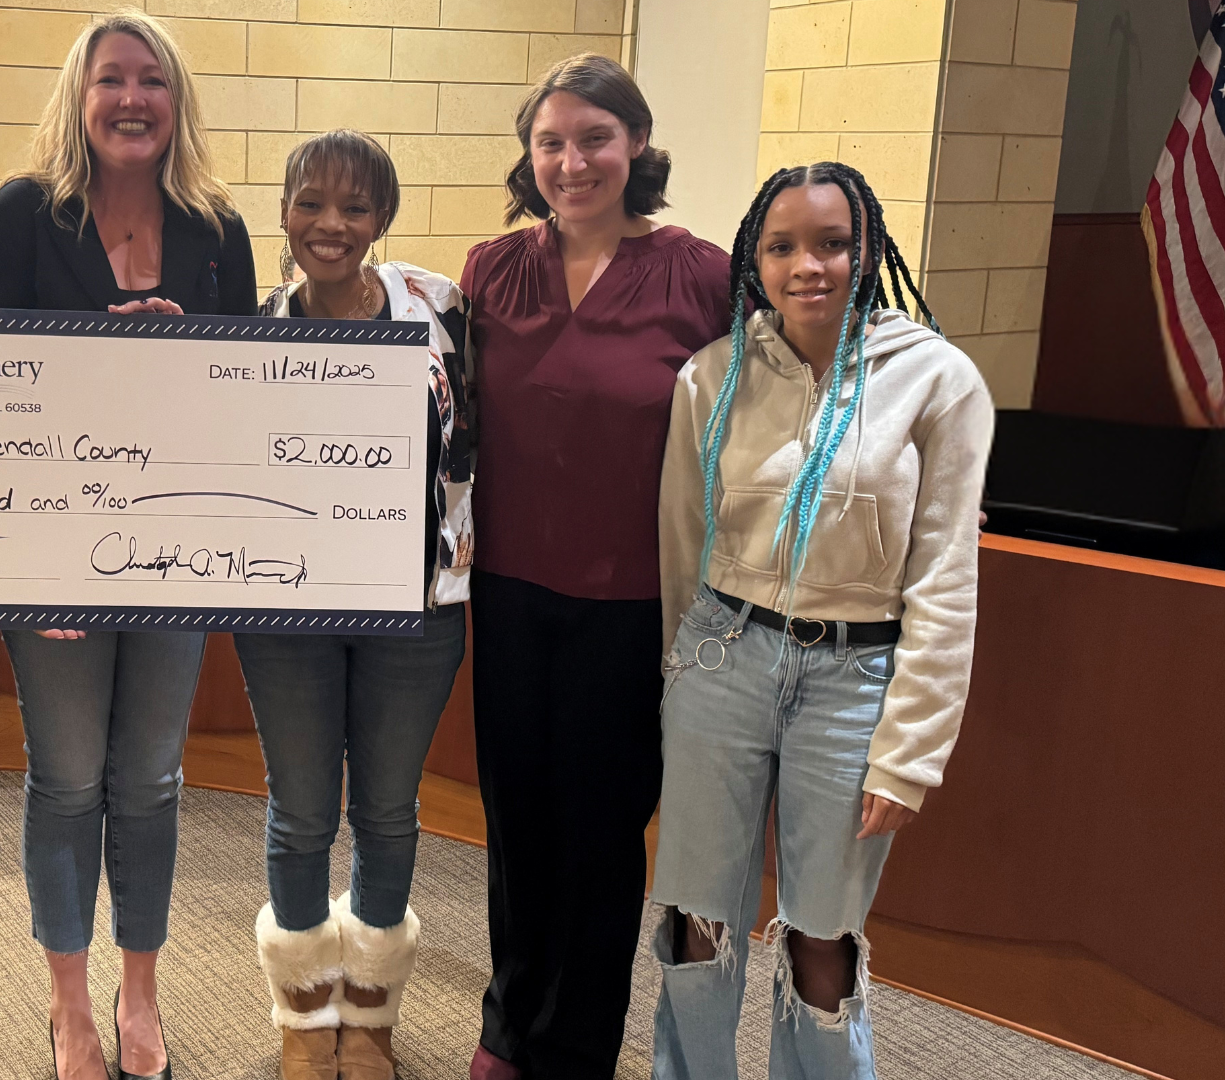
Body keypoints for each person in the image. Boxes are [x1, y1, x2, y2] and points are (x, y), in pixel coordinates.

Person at [0, 13, 254, 1080]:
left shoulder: (216, 228)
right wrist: (16, 567)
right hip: (52, 567)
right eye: (111, 80)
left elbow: (239, 395)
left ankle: (142, 995)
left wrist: (190, 353)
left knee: (152, 781)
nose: (133, 99)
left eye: (153, 81)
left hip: (174, 546)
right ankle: (68, 1004)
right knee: (70, 777)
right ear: (79, 100)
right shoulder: (23, 214)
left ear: (177, 102)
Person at [650, 162, 993, 1078]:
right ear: (754, 260)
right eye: (783, 245)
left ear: (867, 247)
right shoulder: (712, 375)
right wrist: (681, 671)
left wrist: (911, 747)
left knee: (822, 937)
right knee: (693, 917)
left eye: (833, 243)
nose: (810, 265)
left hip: (853, 683)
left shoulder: (938, 381)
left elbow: (947, 578)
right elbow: (682, 540)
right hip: (721, 660)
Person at [458, 55, 731, 1079]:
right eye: (551, 143)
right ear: (529, 157)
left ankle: (575, 1048)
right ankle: (507, 1024)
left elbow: (798, 376)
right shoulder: (492, 269)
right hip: (510, 591)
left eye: (595, 138)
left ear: (638, 147)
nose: (572, 162)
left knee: (602, 834)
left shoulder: (700, 274)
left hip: (634, 604)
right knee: (516, 817)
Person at [241, 130, 475, 1080]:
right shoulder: (249, 326)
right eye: (311, 203)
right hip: (288, 610)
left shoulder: (441, 307)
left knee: (386, 810)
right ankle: (303, 1014)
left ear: (383, 217)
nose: (330, 225)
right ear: (286, 210)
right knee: (300, 812)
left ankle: (370, 1015)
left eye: (355, 206)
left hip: (418, 606)